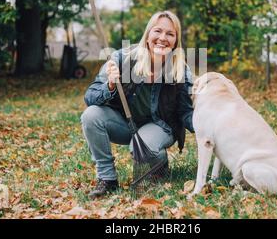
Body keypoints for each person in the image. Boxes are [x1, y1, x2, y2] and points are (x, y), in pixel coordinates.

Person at [81, 10, 194, 198]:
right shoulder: (121, 58)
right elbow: (90, 97)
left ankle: (159, 162)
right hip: (126, 123)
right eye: (157, 31)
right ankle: (107, 179)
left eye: (170, 34)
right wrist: (110, 85)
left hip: (160, 126)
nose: (162, 38)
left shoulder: (180, 69)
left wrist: (209, 126)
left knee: (141, 147)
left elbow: (185, 111)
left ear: (176, 40)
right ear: (148, 34)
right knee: (91, 116)